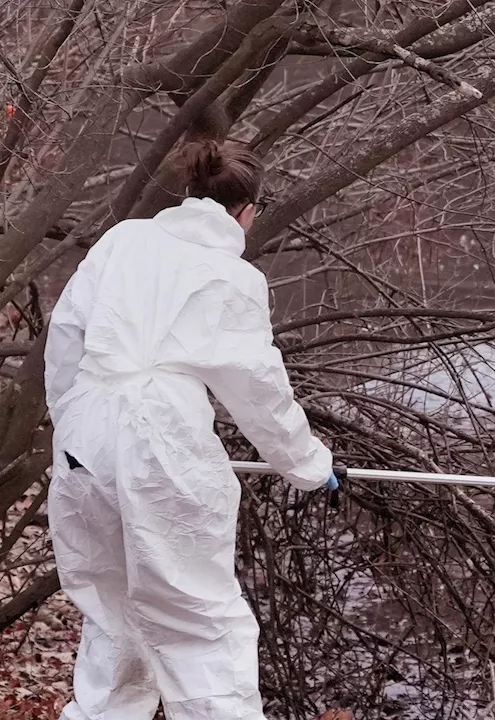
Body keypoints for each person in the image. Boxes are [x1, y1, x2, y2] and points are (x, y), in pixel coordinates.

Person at [44, 139, 339, 720]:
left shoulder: (123, 240)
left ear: (188, 192)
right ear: (248, 209)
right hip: (160, 440)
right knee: (199, 619)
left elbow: (65, 336)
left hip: (83, 436)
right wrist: (310, 466)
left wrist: (73, 423)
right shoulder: (231, 276)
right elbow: (258, 389)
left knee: (112, 612)